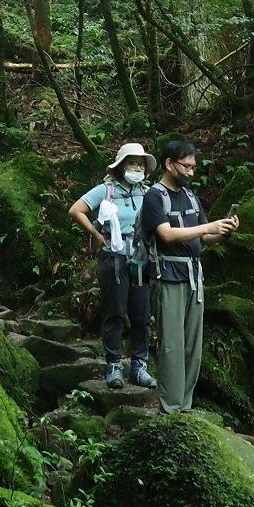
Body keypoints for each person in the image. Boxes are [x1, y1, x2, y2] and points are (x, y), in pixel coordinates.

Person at [139, 138, 237, 414]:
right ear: (169, 164)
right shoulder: (154, 196)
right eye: (187, 166)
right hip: (168, 275)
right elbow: (167, 234)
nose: (191, 172)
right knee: (171, 344)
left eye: (194, 167)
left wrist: (223, 230)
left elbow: (206, 239)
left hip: (194, 276)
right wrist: (208, 227)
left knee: (193, 344)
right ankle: (169, 408)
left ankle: (185, 405)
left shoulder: (191, 198)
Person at [68, 142, 156, 389]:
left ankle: (139, 366)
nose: (137, 168)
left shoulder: (148, 193)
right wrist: (97, 235)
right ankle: (114, 365)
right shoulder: (106, 190)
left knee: (141, 314)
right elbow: (76, 210)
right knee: (115, 312)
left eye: (140, 164)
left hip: (140, 257)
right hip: (113, 257)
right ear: (121, 166)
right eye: (132, 163)